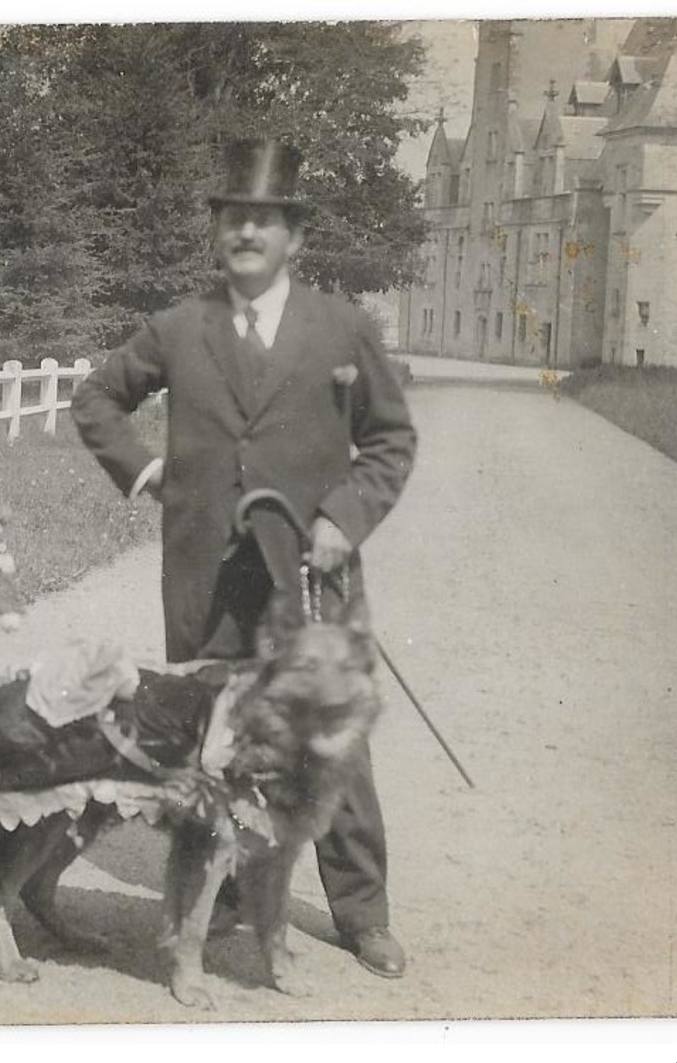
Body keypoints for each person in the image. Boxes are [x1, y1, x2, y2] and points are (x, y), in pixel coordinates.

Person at [70, 138, 417, 979]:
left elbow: (389, 439)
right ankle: (214, 895)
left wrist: (344, 515)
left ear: (294, 237)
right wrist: (148, 470)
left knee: (328, 738)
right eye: (234, 218)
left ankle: (360, 909)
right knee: (207, 741)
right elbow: (96, 398)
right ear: (216, 234)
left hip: (309, 572)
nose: (248, 232)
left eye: (265, 220)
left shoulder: (341, 326)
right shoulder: (179, 328)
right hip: (205, 572)